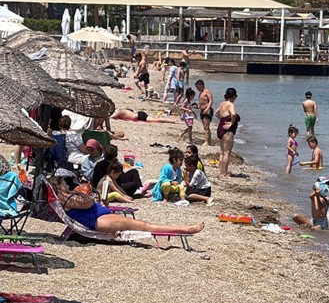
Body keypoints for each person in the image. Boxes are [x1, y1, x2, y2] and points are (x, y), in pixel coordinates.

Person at [49, 176, 204, 235]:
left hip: (99, 216)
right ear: (58, 187)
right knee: (144, 226)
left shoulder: (68, 198)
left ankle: (183, 228)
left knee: (143, 225)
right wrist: (82, 194)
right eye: (63, 184)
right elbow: (89, 202)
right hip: (97, 220)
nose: (66, 185)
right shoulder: (67, 199)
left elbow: (88, 201)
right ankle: (185, 229)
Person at [215, 88, 240, 177]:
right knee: (227, 152)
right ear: (233, 96)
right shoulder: (230, 104)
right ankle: (224, 173)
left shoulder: (222, 103)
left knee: (222, 152)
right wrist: (231, 123)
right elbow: (233, 114)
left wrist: (222, 120)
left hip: (220, 127)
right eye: (235, 96)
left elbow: (216, 113)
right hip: (227, 130)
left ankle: (221, 172)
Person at [196, 80, 214, 146]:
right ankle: (209, 141)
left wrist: (207, 109)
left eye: (198, 87)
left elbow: (211, 101)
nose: (197, 89)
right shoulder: (200, 93)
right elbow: (201, 102)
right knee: (205, 127)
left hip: (207, 110)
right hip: (202, 110)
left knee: (206, 127)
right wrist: (198, 106)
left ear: (201, 85)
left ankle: (206, 142)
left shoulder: (207, 91)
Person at [111, 108, 177, 123]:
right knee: (155, 119)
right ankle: (162, 113)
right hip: (139, 113)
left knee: (156, 120)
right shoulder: (122, 109)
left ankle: (172, 121)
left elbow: (112, 117)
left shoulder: (119, 112)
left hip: (139, 116)